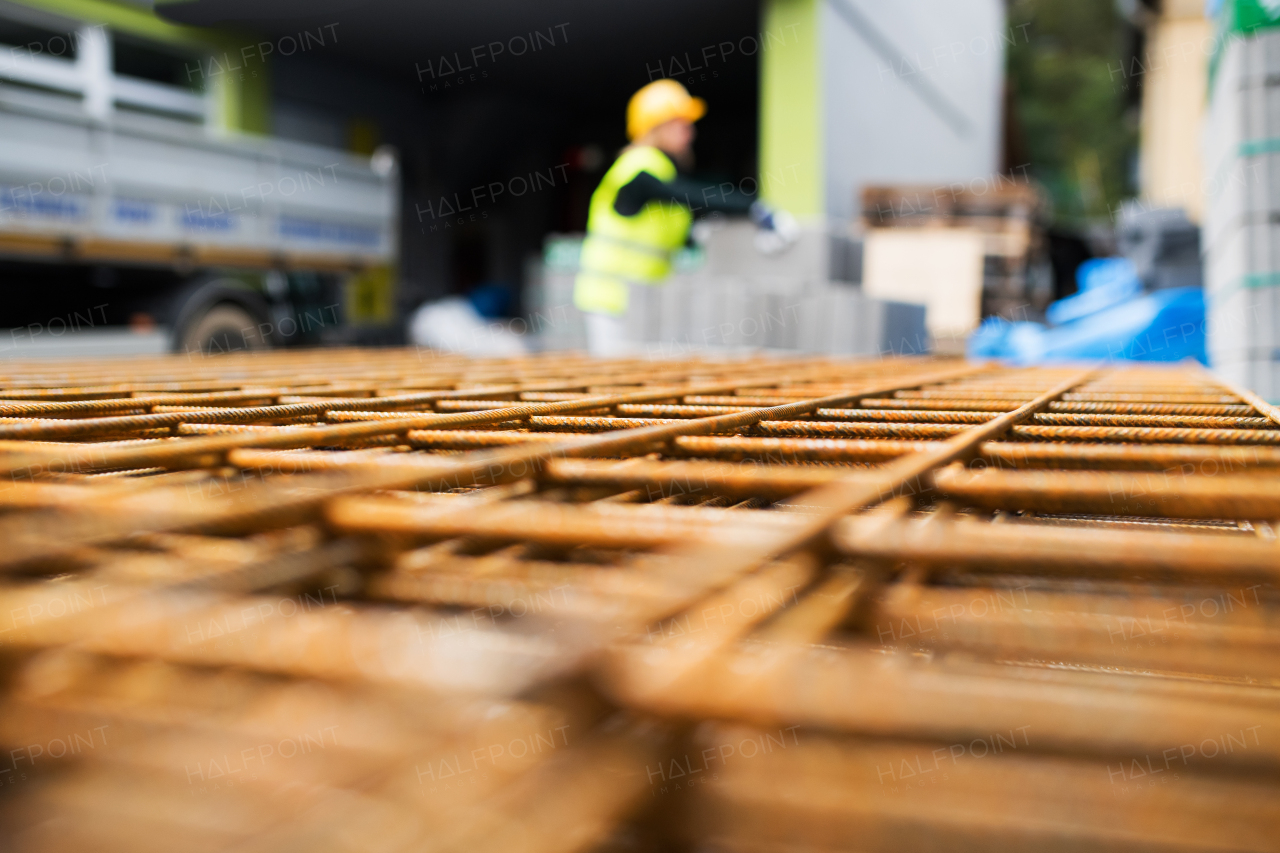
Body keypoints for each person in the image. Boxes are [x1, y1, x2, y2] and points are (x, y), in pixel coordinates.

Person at [574, 79, 796, 357]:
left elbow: (670, 222)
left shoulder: (664, 173)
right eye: (681, 124)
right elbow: (691, 194)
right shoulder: (639, 168)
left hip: (644, 302)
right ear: (655, 126)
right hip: (612, 302)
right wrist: (753, 206)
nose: (690, 133)